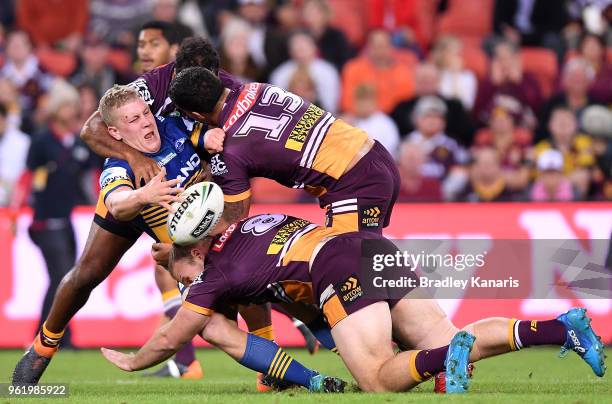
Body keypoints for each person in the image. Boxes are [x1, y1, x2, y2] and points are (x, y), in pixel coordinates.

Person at [103, 187, 606, 393]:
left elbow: (175, 339)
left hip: (336, 268)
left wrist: (131, 360)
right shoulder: (256, 224)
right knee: (442, 332)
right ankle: (560, 328)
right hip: (366, 246)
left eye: (179, 271)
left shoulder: (214, 276)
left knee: (378, 379)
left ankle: (442, 357)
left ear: (194, 251)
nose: (183, 284)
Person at [168, 66, 400, 235]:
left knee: (353, 281)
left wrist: (187, 234)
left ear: (196, 116)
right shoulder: (257, 87)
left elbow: (234, 220)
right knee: (371, 270)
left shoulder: (228, 149)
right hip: (376, 155)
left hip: (354, 185)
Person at [11, 81, 96, 350]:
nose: (72, 110)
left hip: (66, 219)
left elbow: (90, 174)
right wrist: (15, 213)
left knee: (70, 279)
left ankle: (62, 336)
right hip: (45, 221)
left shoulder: (76, 140)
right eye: (68, 105)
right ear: (58, 107)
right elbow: (25, 178)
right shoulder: (42, 140)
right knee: (61, 277)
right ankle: (42, 335)